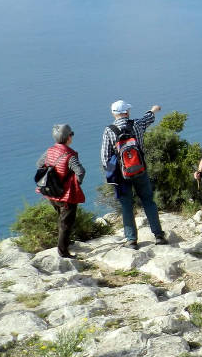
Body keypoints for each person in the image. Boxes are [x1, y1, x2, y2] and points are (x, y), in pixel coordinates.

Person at [101, 100, 168, 248]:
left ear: (114, 113)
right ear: (127, 112)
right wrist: (154, 109)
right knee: (148, 201)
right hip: (140, 170)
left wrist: (112, 177)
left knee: (126, 205)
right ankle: (158, 235)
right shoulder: (136, 124)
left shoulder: (109, 131)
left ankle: (131, 240)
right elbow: (148, 118)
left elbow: (105, 158)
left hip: (121, 176)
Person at [36, 124, 86, 258]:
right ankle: (63, 252)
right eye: (71, 134)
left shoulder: (49, 151)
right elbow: (80, 172)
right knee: (66, 223)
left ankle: (65, 242)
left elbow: (40, 164)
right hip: (65, 195)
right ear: (68, 137)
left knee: (62, 219)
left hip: (51, 192)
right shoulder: (70, 155)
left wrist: (55, 174)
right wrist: (75, 184)